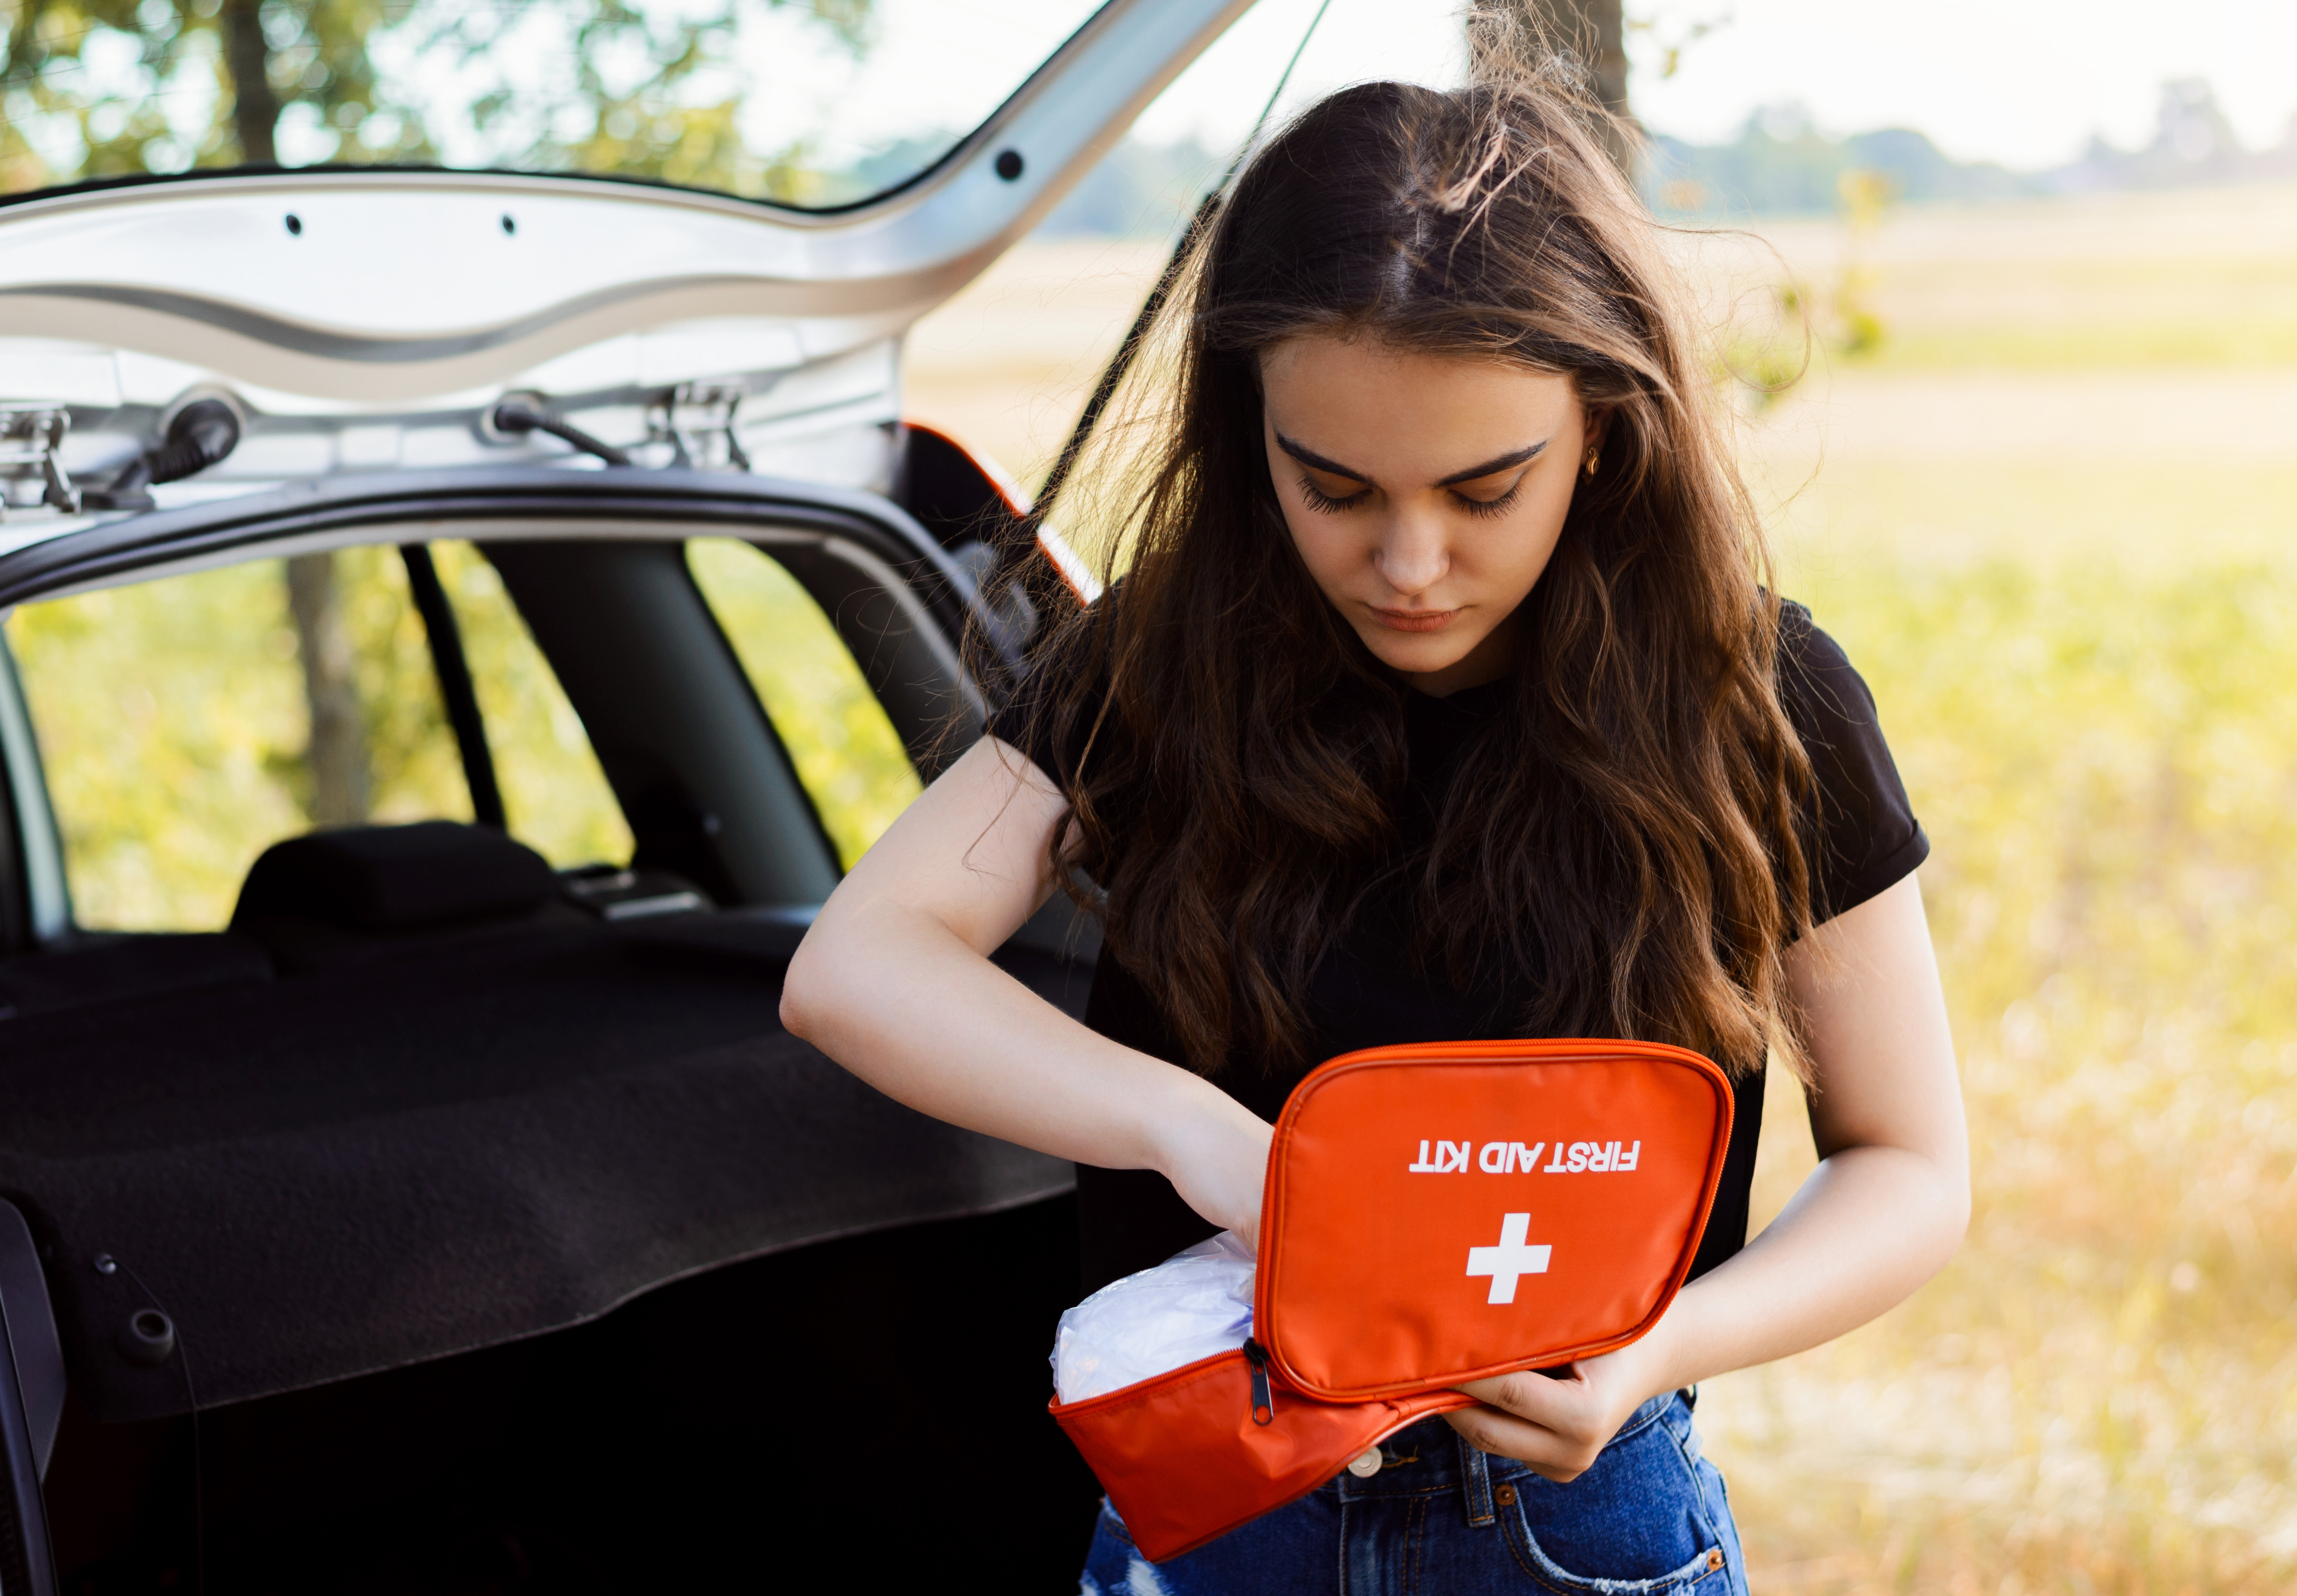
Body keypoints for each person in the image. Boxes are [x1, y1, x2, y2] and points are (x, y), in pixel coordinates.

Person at [781, 57, 1969, 1596]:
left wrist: (1660, 1343)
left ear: (1605, 427)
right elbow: (857, 964)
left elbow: (1911, 1164)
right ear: (1248, 423)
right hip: (1220, 1497)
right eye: (1331, 484)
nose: (1410, 561)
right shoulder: (1166, 658)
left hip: (1581, 1516)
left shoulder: (1759, 699)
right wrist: (1197, 1136)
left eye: (1486, 488)